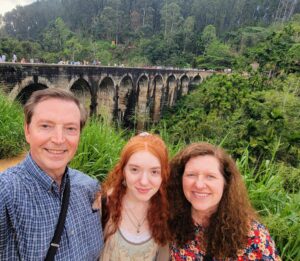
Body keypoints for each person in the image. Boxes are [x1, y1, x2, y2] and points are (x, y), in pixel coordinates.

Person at [0, 88, 103, 260]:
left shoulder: (89, 187)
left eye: (70, 128)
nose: (58, 139)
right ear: (27, 131)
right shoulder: (6, 193)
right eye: (46, 126)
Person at [167, 142, 281, 260]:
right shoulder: (171, 222)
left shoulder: (253, 237)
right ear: (179, 179)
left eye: (210, 176)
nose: (199, 184)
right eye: (191, 175)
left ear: (226, 183)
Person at [100, 132, 170, 260]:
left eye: (154, 172)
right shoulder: (104, 205)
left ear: (163, 174)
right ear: (123, 171)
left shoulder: (167, 211)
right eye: (134, 170)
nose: (144, 181)